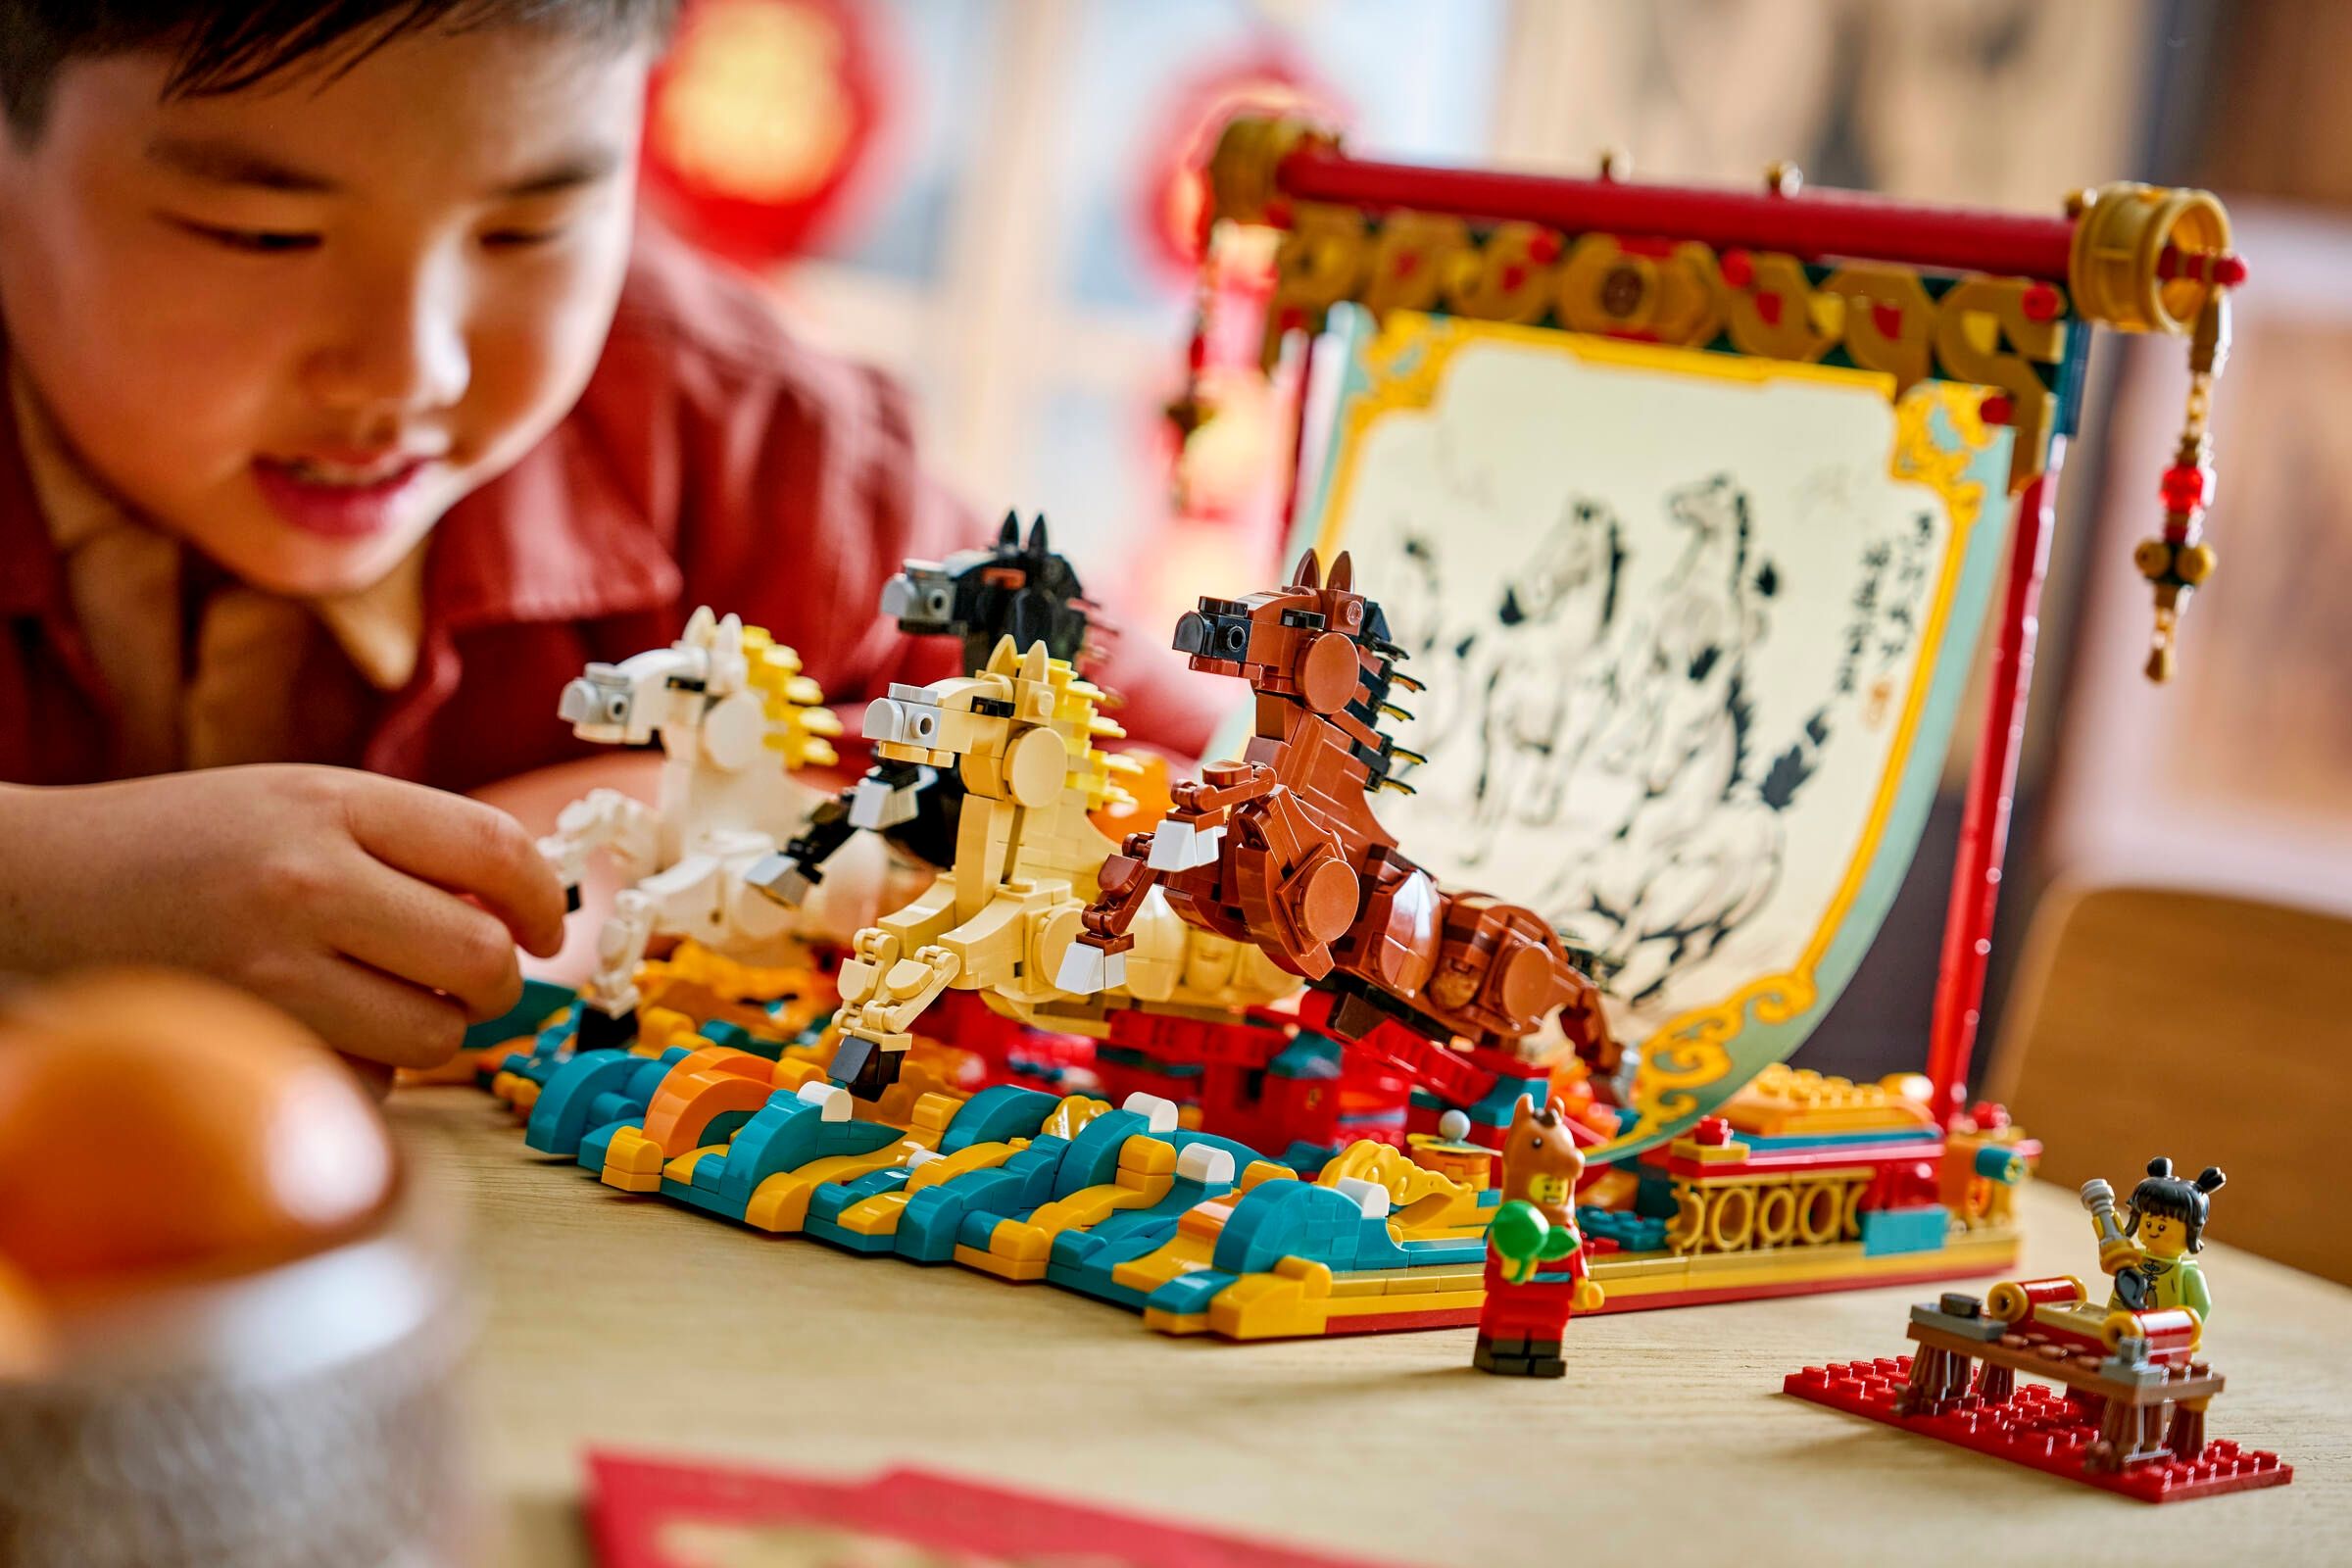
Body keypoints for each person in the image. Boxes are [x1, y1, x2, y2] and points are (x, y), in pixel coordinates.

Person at [0, 2, 1213, 1084]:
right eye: (262, 233)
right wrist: (41, 887)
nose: (412, 372)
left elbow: (1207, 803)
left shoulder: (760, 450)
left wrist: (705, 817)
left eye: (527, 230)